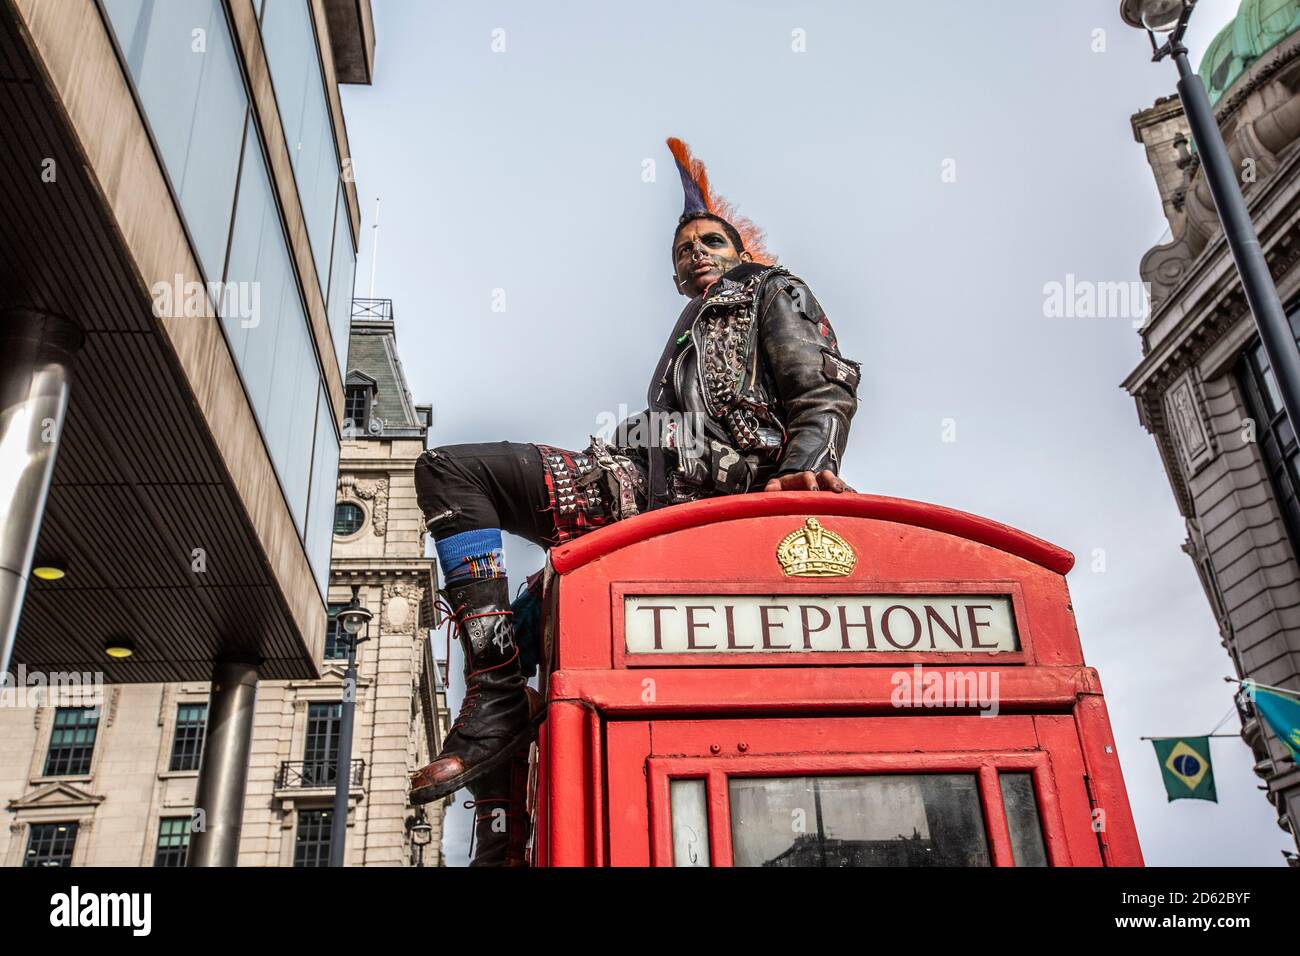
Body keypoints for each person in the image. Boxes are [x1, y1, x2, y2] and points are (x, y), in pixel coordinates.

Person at [409, 137, 861, 865]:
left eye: (710, 240)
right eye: (681, 250)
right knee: (483, 566)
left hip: (703, 498)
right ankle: (501, 806)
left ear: (743, 248)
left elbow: (823, 389)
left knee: (463, 487)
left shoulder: (774, 293)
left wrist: (808, 469)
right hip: (632, 487)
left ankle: (499, 721)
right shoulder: (687, 332)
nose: (694, 255)